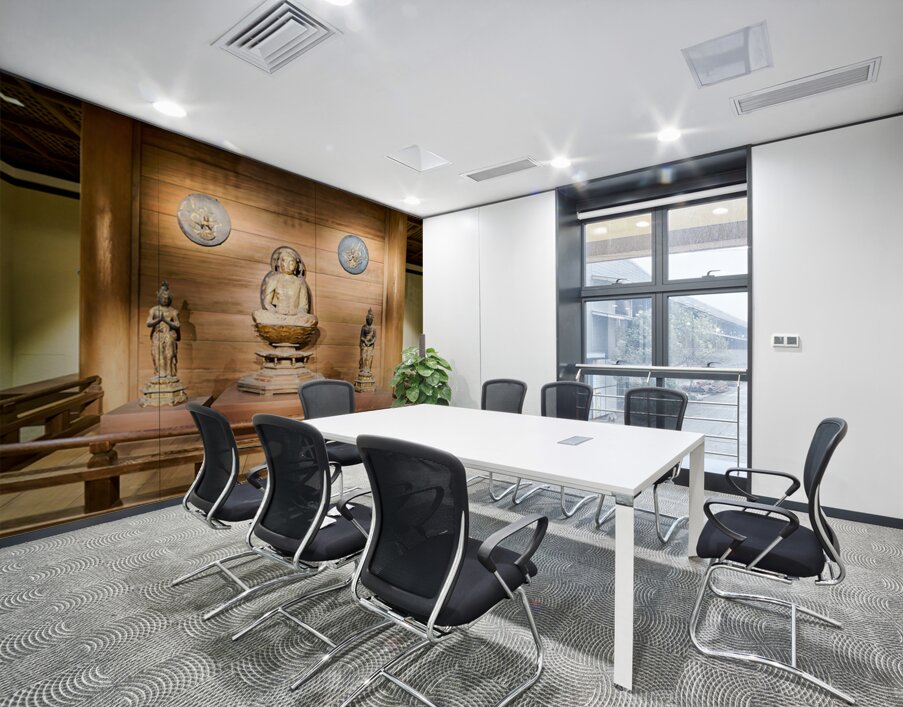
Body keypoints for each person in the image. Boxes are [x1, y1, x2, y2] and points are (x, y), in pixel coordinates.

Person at [261, 246, 309, 316]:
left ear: (296, 265)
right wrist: (274, 312)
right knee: (260, 314)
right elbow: (267, 302)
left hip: (295, 315)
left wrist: (300, 313)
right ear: (280, 263)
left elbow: (304, 306)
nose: (287, 265)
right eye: (284, 261)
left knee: (311, 319)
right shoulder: (274, 279)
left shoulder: (300, 282)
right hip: (277, 313)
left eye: (291, 263)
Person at [147, 281, 180, 379]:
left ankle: (169, 373)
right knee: (157, 354)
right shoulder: (154, 310)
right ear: (159, 298)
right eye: (163, 298)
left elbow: (177, 325)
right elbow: (148, 323)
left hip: (169, 334)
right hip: (157, 335)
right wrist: (159, 320)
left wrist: (166, 321)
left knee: (169, 354)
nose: (165, 300)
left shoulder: (173, 311)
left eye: (167, 298)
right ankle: (159, 373)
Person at [358, 308, 376, 373]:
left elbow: (374, 337)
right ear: (366, 320)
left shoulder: (373, 328)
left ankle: (368, 369)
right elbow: (361, 336)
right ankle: (363, 369)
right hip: (364, 344)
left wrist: (371, 342)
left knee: (369, 357)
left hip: (370, 345)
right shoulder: (364, 327)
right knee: (363, 357)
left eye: (371, 320)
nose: (370, 321)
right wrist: (365, 341)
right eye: (369, 320)